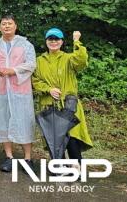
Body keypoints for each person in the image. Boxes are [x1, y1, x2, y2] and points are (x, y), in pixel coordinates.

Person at [0, 14, 36, 172]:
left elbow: (31, 64)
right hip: (1, 91)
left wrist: (14, 70)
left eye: (9, 23)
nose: (6, 26)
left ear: (15, 26)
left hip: (21, 91)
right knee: (3, 122)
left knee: (24, 122)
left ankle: (28, 158)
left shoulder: (25, 45)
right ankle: (9, 157)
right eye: (3, 24)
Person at [32, 28, 92, 167]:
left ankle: (77, 167)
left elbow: (82, 60)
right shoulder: (39, 61)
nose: (53, 42)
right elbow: (35, 81)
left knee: (72, 138)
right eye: (50, 39)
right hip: (49, 105)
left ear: (62, 42)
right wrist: (48, 89)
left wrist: (77, 42)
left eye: (57, 39)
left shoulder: (69, 58)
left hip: (68, 106)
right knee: (54, 139)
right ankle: (59, 166)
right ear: (46, 41)